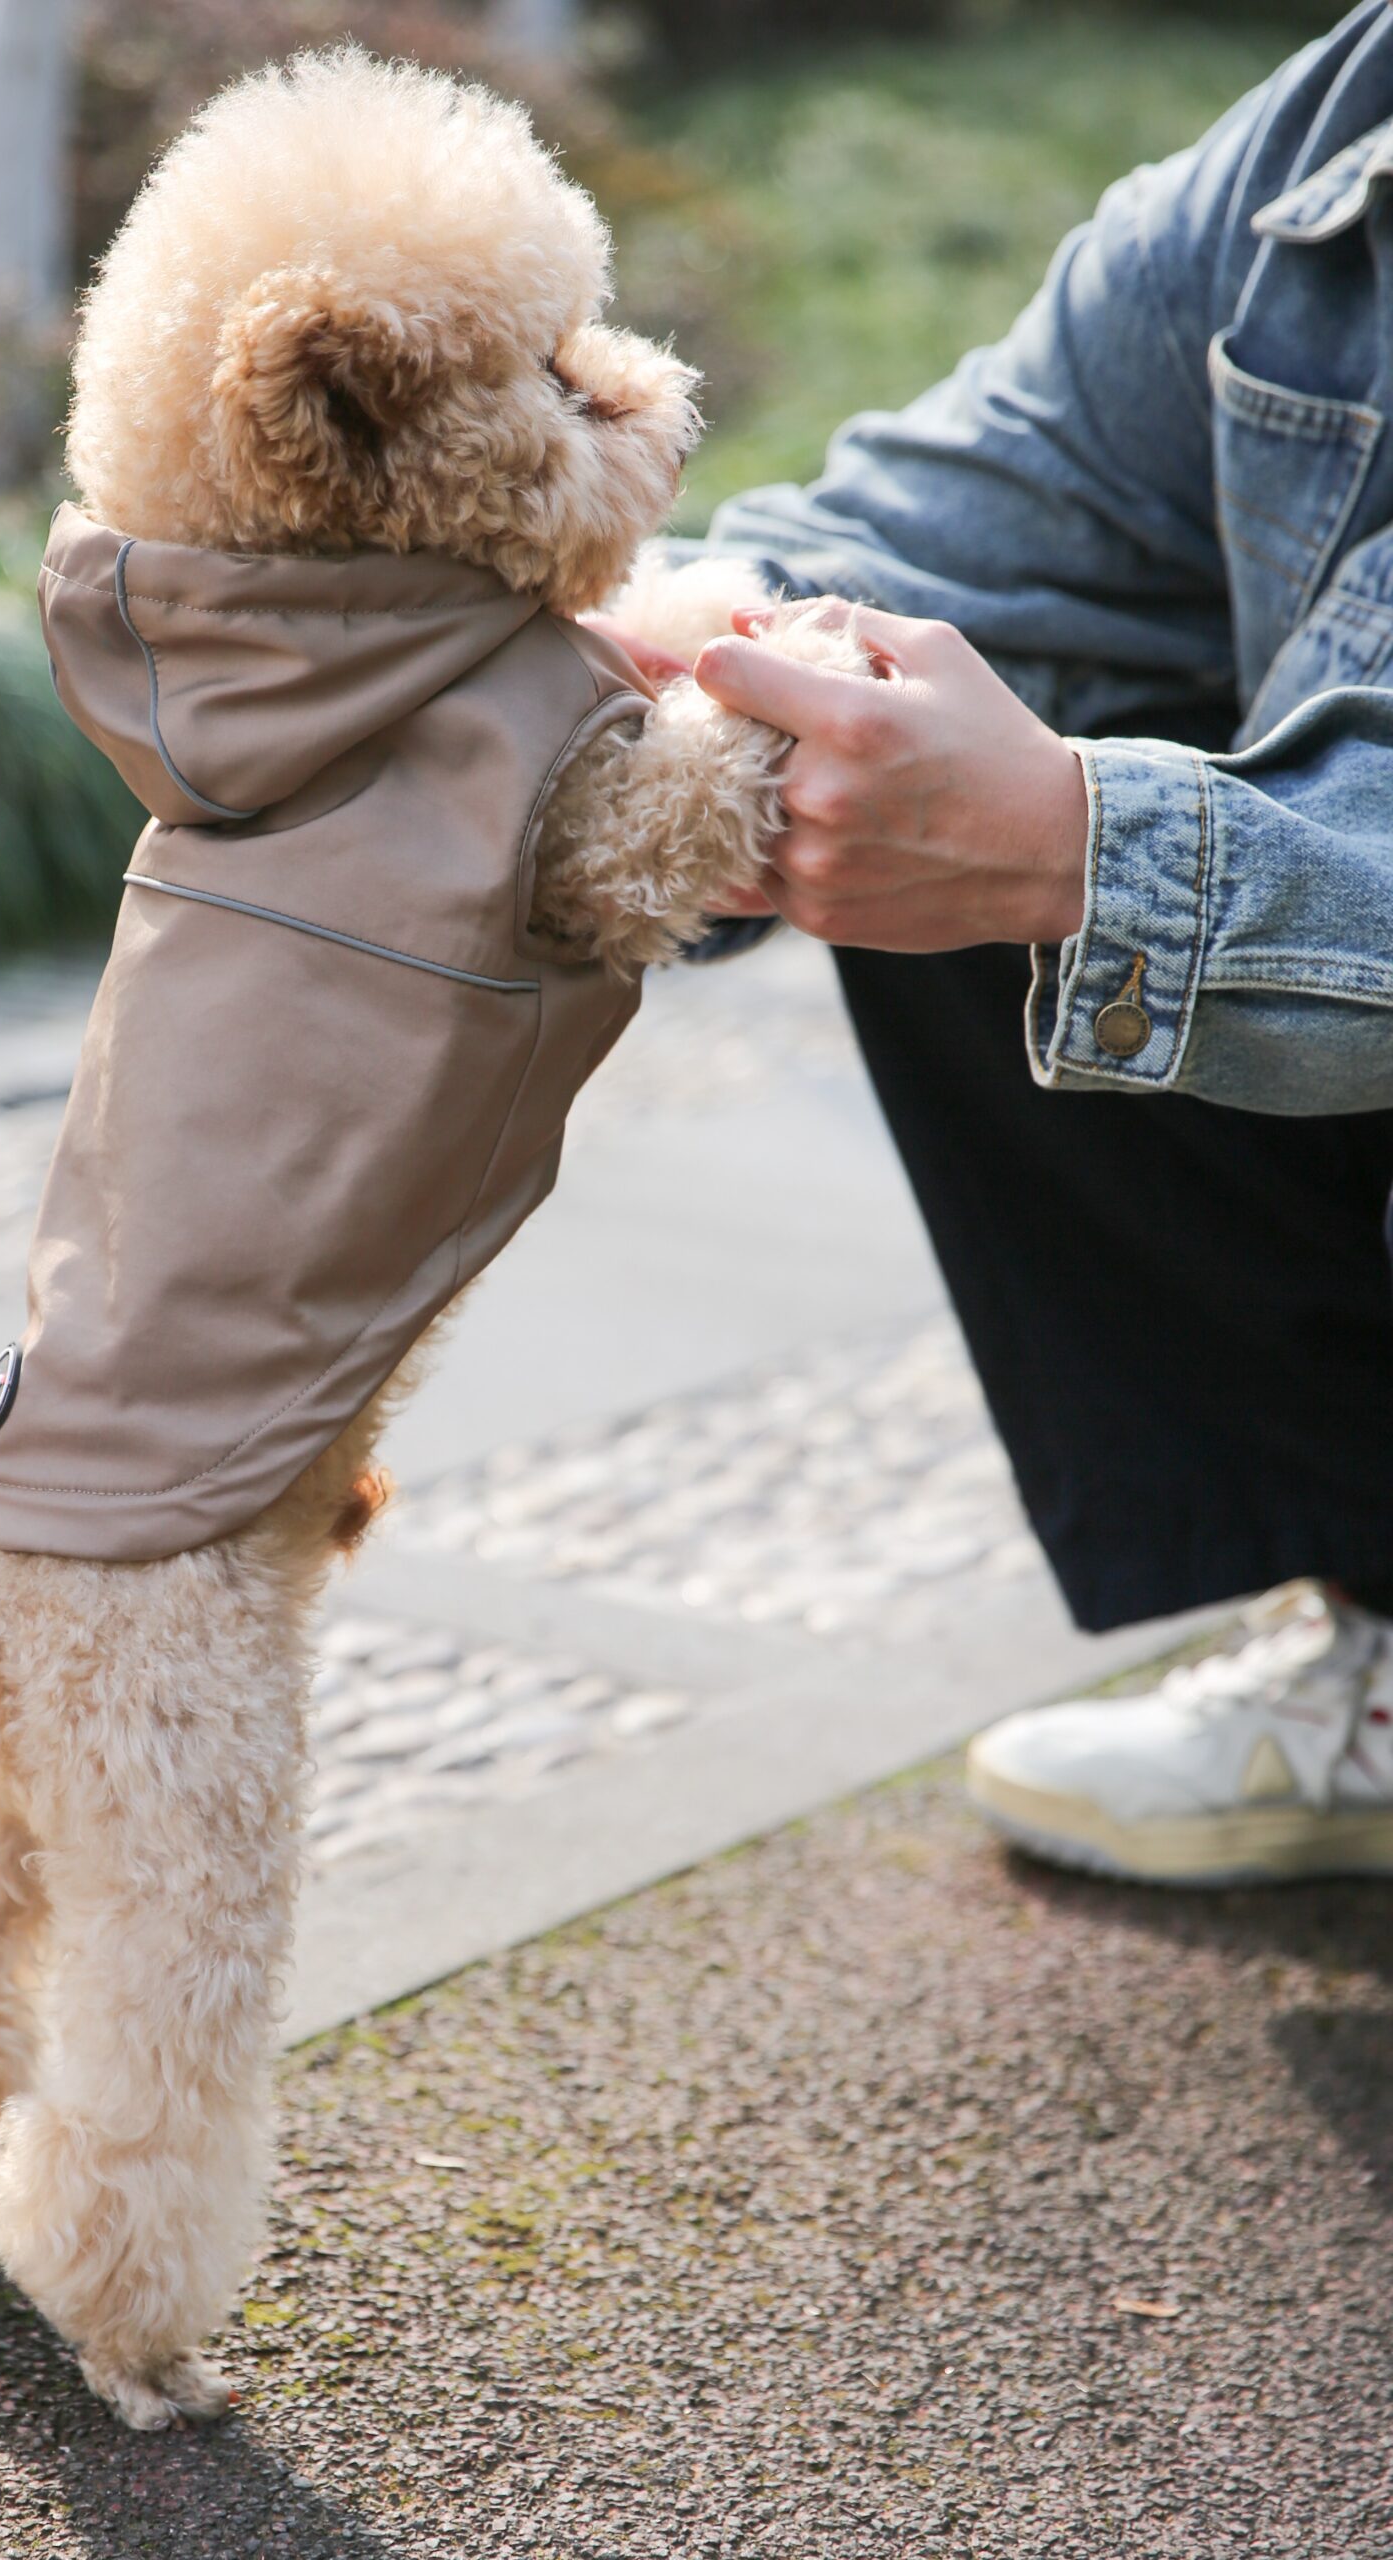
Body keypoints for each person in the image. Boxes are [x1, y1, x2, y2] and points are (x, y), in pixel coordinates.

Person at [590, 2, 1393, 1886]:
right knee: (888, 711)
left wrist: (1072, 848)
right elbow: (954, 517)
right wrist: (539, 676)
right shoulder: (1329, 152)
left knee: (1052, 819)